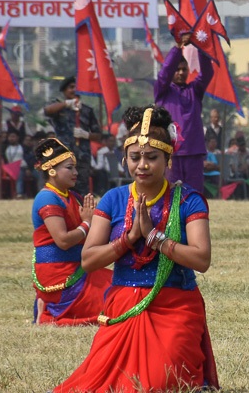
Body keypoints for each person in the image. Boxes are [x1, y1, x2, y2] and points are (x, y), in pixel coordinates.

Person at [56, 106, 217, 392]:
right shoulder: (114, 200)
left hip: (175, 304)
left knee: (160, 381)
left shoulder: (188, 200)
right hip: (124, 304)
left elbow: (201, 259)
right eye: (135, 157)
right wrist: (129, 239)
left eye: (152, 157)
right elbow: (89, 260)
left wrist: (155, 237)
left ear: (168, 159)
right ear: (124, 160)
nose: (142, 165)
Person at [32, 137, 113, 326]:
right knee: (115, 302)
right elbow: (63, 241)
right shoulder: (47, 198)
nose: (76, 173)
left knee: (123, 288)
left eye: (75, 168)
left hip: (79, 270)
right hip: (60, 278)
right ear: (51, 170)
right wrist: (86, 223)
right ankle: (48, 312)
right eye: (69, 168)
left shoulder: (72, 196)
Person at [153, 32, 215, 193]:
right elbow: (165, 72)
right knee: (169, 193)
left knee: (194, 194)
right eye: (177, 69)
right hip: (169, 152)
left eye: (184, 69)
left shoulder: (195, 90)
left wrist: (200, 47)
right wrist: (178, 48)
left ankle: (194, 219)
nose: (180, 72)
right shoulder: (162, 91)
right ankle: (170, 219)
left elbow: (207, 72)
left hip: (194, 151)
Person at [43, 77, 104, 193]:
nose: (74, 90)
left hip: (82, 156)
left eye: (77, 87)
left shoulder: (87, 110)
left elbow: (98, 135)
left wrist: (86, 135)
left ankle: (80, 209)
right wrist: (66, 104)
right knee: (62, 185)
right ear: (64, 91)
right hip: (63, 155)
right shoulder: (59, 108)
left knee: (81, 187)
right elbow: (47, 111)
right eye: (71, 87)